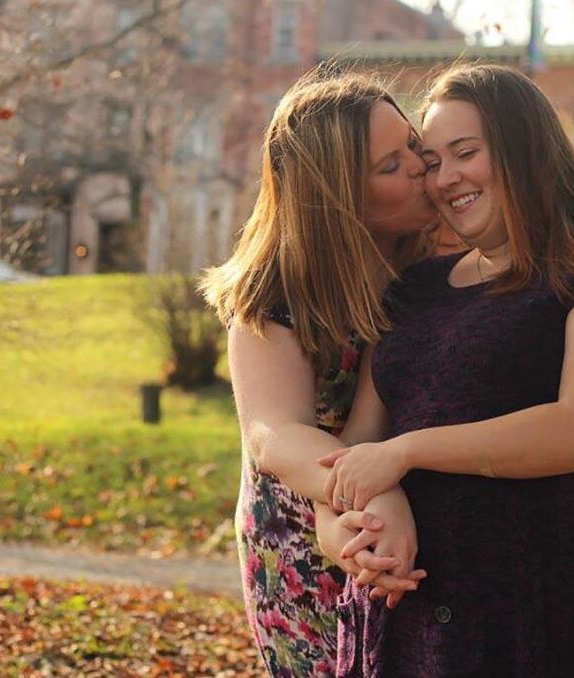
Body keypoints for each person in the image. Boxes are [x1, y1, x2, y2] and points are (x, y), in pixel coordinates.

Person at [320, 63, 574, 677]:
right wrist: (343, 540)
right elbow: (354, 451)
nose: (445, 178)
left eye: (465, 152)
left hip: (523, 609)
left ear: (523, 150)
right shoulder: (414, 289)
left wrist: (408, 452)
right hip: (399, 606)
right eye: (431, 161)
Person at [199, 71, 436, 676]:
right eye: (391, 165)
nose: (419, 165)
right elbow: (273, 434)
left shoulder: (437, 266)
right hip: (305, 547)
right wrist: (370, 487)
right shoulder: (275, 295)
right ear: (337, 197)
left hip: (413, 535)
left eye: (413, 144)